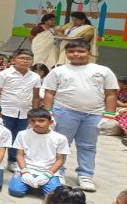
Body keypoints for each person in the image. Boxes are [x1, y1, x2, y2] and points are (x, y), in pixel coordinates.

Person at [42, 40, 118, 191]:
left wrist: (109, 115)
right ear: (66, 53)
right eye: (71, 51)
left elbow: (111, 94)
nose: (76, 54)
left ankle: (85, 175)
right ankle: (57, 171)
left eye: (81, 51)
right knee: (61, 144)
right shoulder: (58, 71)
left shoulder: (103, 71)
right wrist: (48, 113)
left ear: (89, 52)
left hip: (94, 114)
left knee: (88, 146)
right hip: (64, 112)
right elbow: (49, 93)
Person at [0, 48, 41, 171]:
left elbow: (36, 97)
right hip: (5, 112)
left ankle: (12, 161)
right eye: (21, 58)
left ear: (32, 61)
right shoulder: (3, 75)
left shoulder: (35, 77)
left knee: (18, 138)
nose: (25, 61)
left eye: (28, 59)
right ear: (13, 60)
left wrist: (35, 115)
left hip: (24, 113)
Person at [8, 108, 69, 198]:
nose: (36, 123)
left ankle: (39, 183)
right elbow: (19, 155)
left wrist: (48, 174)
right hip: (26, 169)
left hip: (48, 171)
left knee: (54, 196)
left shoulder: (60, 138)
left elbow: (60, 160)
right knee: (15, 191)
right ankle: (29, 183)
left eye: (41, 121)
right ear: (29, 121)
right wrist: (25, 172)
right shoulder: (22, 134)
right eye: (33, 121)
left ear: (50, 122)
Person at [116, 76, 127, 146]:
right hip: (117, 110)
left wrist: (123, 106)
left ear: (125, 85)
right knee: (122, 116)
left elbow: (122, 104)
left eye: (119, 83)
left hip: (123, 109)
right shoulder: (116, 91)